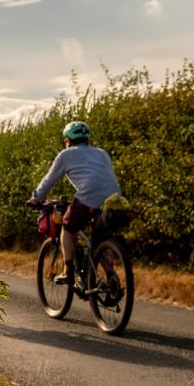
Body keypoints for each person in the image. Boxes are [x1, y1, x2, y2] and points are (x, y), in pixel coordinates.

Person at [27, 121, 120, 284]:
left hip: (88, 196)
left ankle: (68, 270)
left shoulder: (66, 154)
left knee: (68, 227)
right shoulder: (101, 153)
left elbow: (49, 180)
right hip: (114, 198)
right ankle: (111, 277)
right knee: (98, 240)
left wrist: (36, 198)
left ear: (68, 140)